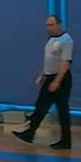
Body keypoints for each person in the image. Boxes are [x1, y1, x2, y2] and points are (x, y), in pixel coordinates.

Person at [14, 15, 74, 150]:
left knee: (62, 110)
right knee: (40, 106)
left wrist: (57, 81)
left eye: (52, 24)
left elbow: (65, 62)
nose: (49, 27)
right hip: (49, 77)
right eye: (47, 25)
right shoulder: (50, 39)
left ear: (59, 24)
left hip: (61, 79)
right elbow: (49, 60)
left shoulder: (66, 40)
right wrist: (43, 74)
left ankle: (66, 140)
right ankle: (29, 133)